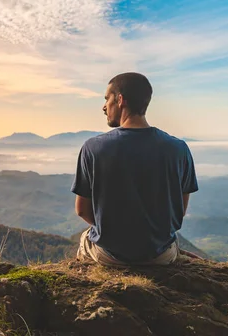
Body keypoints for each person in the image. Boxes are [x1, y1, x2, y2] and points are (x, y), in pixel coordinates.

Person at [72, 72, 199, 266]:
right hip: (161, 257)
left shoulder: (93, 148)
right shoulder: (179, 149)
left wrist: (115, 235)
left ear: (120, 100)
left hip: (111, 258)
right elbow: (178, 211)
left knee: (85, 239)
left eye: (107, 99)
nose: (104, 107)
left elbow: (82, 210)